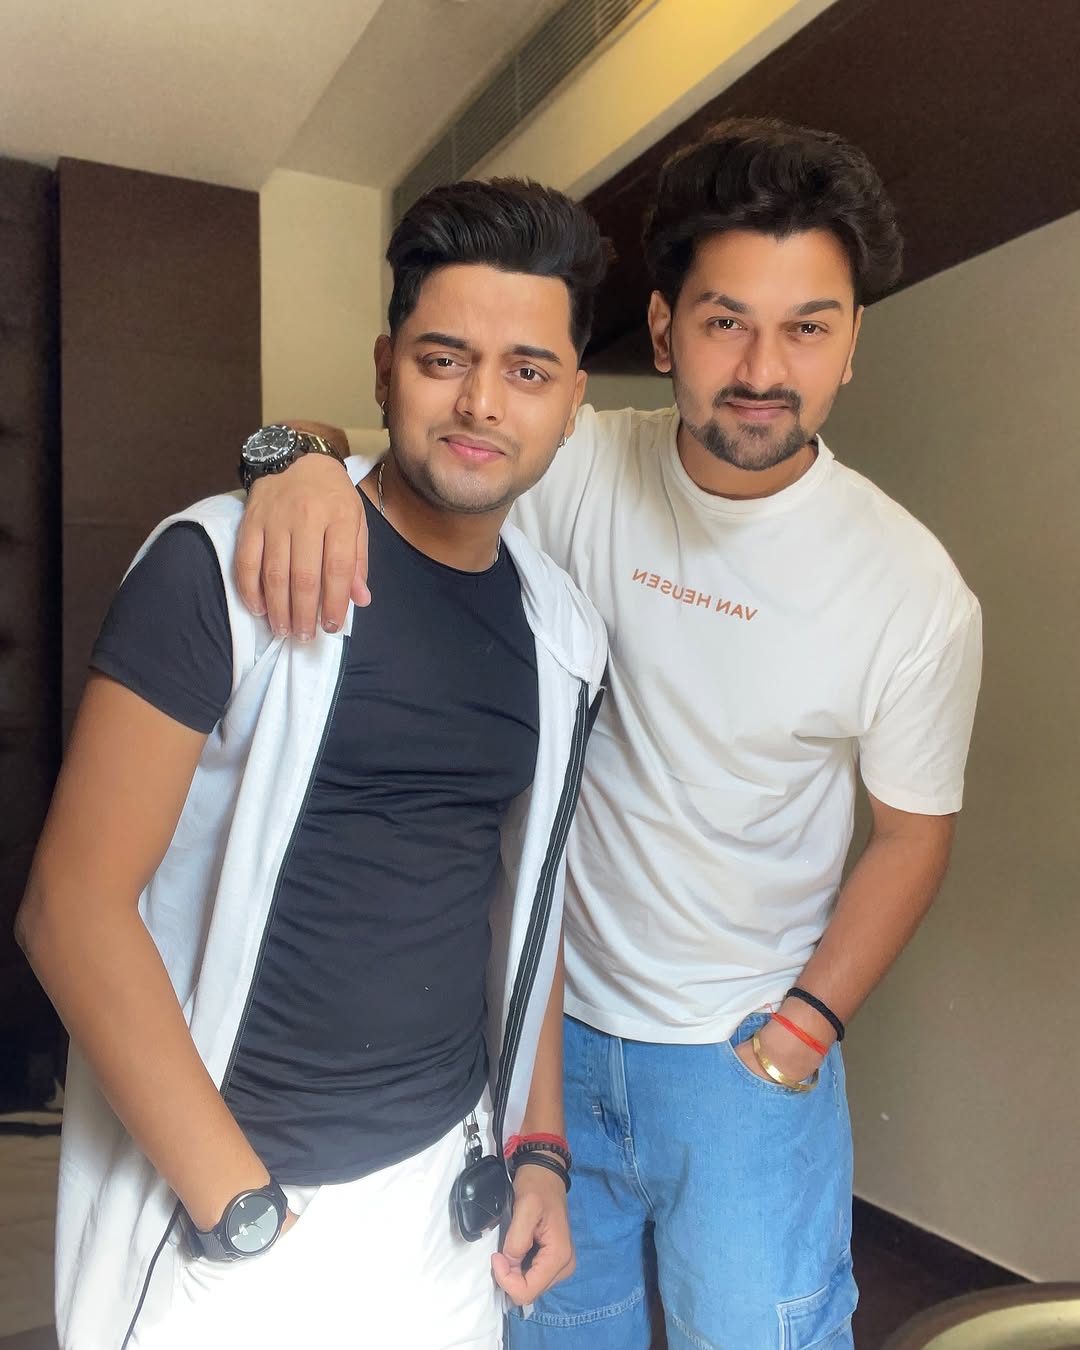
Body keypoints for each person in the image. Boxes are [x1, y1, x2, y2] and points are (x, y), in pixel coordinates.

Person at [228, 119, 983, 1350]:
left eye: (808, 328)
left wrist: (799, 1037)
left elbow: (912, 835)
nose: (762, 368)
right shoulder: (568, 462)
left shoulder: (910, 588)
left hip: (740, 1061)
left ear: (852, 344)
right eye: (726, 321)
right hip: (546, 1039)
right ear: (665, 328)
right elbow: (357, 444)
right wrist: (291, 465)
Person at [16, 178, 611, 1350]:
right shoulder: (222, 564)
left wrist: (539, 1150)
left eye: (528, 371)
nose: (483, 402)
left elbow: (527, 911)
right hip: (242, 1219)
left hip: (446, 1213)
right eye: (444, 359)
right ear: (386, 367)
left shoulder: (563, 634)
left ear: (573, 400)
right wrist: (234, 1201)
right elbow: (69, 909)